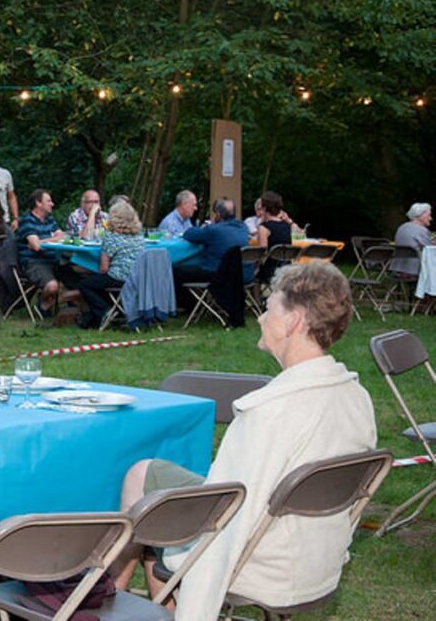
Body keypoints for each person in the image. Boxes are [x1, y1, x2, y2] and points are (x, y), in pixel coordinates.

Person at [116, 263, 376, 621]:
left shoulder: (268, 411)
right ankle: (118, 598)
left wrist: (197, 601)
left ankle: (111, 598)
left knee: (150, 501)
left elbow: (228, 521)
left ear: (293, 322)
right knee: (145, 475)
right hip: (315, 554)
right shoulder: (354, 395)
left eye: (269, 308)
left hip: (263, 561)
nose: (260, 317)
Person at [77, 201, 145, 329]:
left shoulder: (111, 236)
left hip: (118, 277)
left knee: (85, 285)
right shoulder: (139, 236)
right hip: (137, 279)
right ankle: (112, 312)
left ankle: (105, 311)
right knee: (99, 284)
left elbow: (104, 268)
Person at [173, 197, 252, 292]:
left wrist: (208, 226)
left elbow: (188, 234)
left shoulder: (213, 229)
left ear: (218, 215)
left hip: (221, 275)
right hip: (245, 275)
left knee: (176, 271)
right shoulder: (243, 227)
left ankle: (187, 305)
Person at [16, 189, 67, 315]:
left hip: (53, 260)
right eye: (48, 201)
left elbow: (63, 236)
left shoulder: (49, 220)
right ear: (38, 203)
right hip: (34, 262)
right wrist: (54, 239)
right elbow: (35, 245)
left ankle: (63, 305)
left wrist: (44, 240)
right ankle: (42, 305)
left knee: (80, 280)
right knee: (52, 286)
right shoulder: (27, 220)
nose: (52, 204)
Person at [256, 191, 293, 284]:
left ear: (264, 208)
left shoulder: (264, 227)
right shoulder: (286, 226)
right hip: (286, 270)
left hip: (271, 272)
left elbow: (262, 254)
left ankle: (257, 296)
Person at [390, 203, 432, 277]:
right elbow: (430, 250)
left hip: (399, 268)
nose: (430, 218)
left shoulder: (402, 227)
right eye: (428, 215)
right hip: (416, 269)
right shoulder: (421, 230)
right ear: (420, 215)